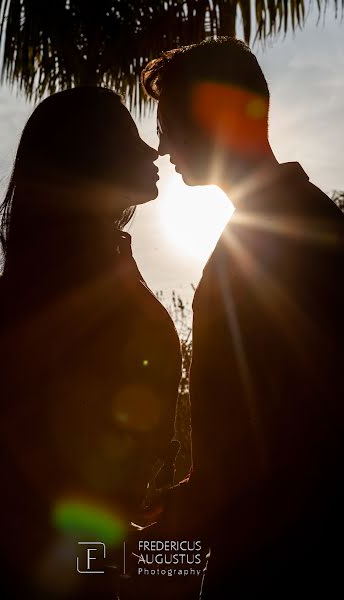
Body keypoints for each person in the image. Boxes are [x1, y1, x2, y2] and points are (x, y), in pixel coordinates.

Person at [0, 87, 182, 599]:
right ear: (91, 155)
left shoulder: (99, 268)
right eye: (131, 138)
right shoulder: (77, 291)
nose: (153, 150)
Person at [141, 38, 344, 597]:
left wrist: (201, 504)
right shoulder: (278, 229)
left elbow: (295, 436)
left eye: (170, 124)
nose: (161, 147)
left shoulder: (289, 239)